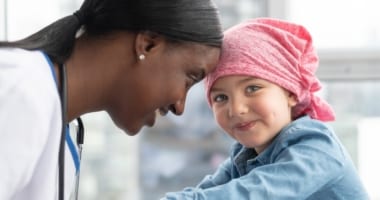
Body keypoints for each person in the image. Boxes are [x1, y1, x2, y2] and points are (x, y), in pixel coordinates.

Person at [0, 0, 223, 199]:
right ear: (148, 45)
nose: (179, 107)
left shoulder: (58, 122)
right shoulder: (22, 88)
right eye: (190, 78)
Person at [160, 18, 369, 199]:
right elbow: (209, 191)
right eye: (221, 97)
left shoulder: (317, 149)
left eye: (253, 88)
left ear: (291, 93)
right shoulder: (244, 156)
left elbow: (254, 194)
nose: (236, 109)